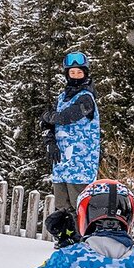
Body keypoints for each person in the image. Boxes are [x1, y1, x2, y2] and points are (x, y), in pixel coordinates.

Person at [41, 52, 101, 242]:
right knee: (62, 205)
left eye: (79, 73)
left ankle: (82, 239)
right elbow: (47, 123)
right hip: (61, 163)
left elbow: (67, 117)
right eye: (72, 73)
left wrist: (49, 117)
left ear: (86, 74)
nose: (75, 76)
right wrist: (49, 141)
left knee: (80, 205)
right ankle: (66, 237)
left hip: (80, 164)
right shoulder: (62, 97)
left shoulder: (87, 98)